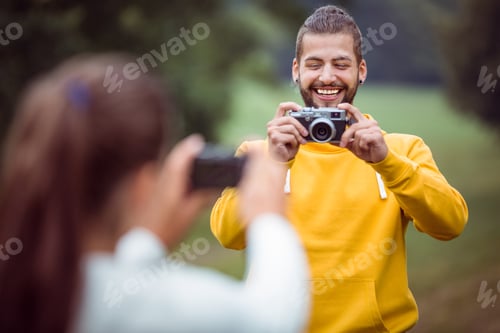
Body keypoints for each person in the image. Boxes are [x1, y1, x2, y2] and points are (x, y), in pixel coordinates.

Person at [0, 54, 310, 333]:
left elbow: (109, 282)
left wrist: (148, 241)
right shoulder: (167, 310)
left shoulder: (25, 285)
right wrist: (269, 217)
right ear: (143, 184)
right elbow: (271, 321)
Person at [210, 5, 469, 333]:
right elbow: (228, 236)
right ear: (296, 70)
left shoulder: (401, 150)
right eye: (314, 64)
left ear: (361, 70)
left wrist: (385, 162)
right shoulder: (260, 154)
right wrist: (276, 163)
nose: (327, 77)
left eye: (341, 64)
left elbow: (451, 224)